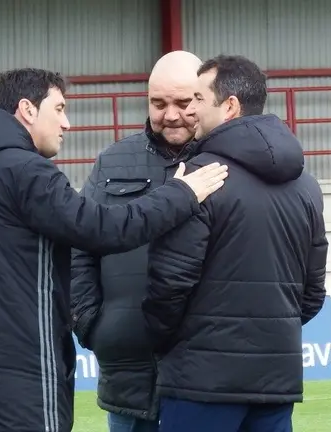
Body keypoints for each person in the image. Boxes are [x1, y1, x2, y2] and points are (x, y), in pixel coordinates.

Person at [0, 67, 228, 432]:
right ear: (27, 110)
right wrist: (182, 194)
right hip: (22, 364)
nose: (67, 123)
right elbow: (100, 229)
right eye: (58, 109)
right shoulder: (24, 171)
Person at [141, 55, 328, 432]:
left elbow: (169, 284)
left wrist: (164, 341)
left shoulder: (198, 179)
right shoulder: (306, 185)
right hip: (275, 383)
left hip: (201, 384)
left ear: (229, 106)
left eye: (197, 99)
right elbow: (312, 293)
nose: (190, 110)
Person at [70, 50, 203, 432]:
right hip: (127, 372)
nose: (170, 115)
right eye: (158, 103)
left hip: (205, 375)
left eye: (183, 103)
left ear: (204, 99)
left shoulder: (225, 157)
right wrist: (91, 323)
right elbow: (79, 244)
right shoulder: (112, 161)